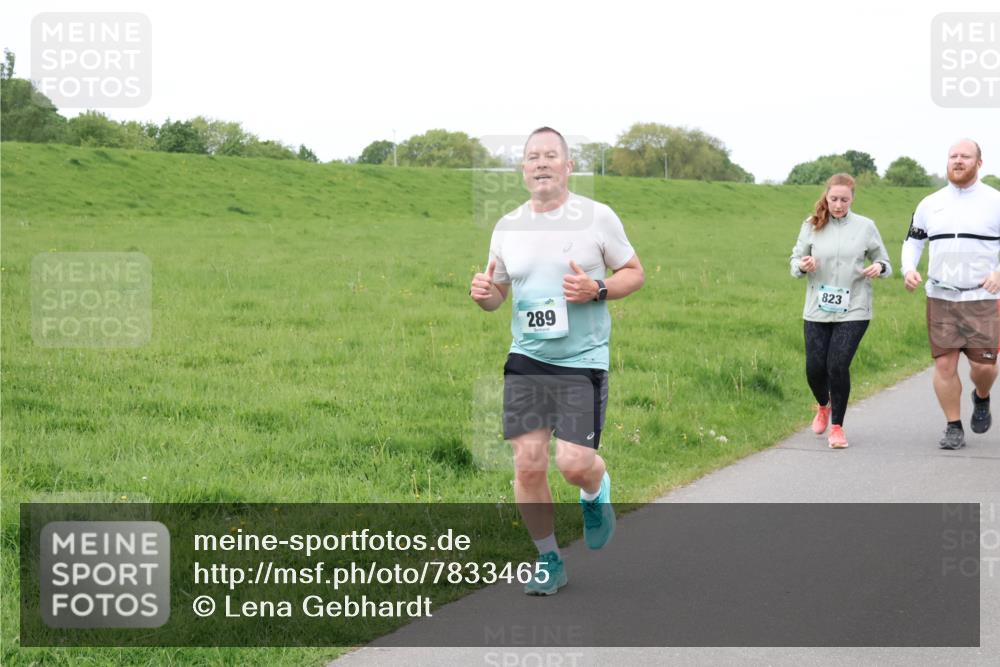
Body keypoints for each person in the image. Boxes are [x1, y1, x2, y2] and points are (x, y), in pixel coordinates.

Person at [470, 127, 644, 595]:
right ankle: (548, 559)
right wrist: (486, 296)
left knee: (573, 464)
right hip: (527, 357)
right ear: (523, 169)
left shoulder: (596, 218)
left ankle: (595, 491)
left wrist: (599, 289)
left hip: (581, 359)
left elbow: (634, 272)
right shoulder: (507, 227)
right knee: (528, 464)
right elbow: (499, 293)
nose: (541, 163)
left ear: (568, 166)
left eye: (551, 156)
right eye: (532, 157)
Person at [902, 139, 1000, 450]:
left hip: (982, 297)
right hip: (941, 295)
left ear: (979, 163)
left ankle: (981, 396)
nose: (957, 161)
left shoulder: (994, 201)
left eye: (965, 156)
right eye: (953, 156)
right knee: (945, 365)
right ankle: (953, 425)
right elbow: (914, 240)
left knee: (985, 367)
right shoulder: (930, 203)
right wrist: (909, 268)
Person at [790, 173, 892, 449]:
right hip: (817, 308)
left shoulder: (865, 226)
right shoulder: (812, 225)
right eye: (833, 199)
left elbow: (884, 261)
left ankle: (837, 427)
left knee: (837, 365)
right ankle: (823, 405)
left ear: (852, 199)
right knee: (814, 369)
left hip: (855, 308)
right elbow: (794, 262)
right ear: (826, 196)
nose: (838, 205)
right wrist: (803, 265)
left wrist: (879, 268)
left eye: (844, 200)